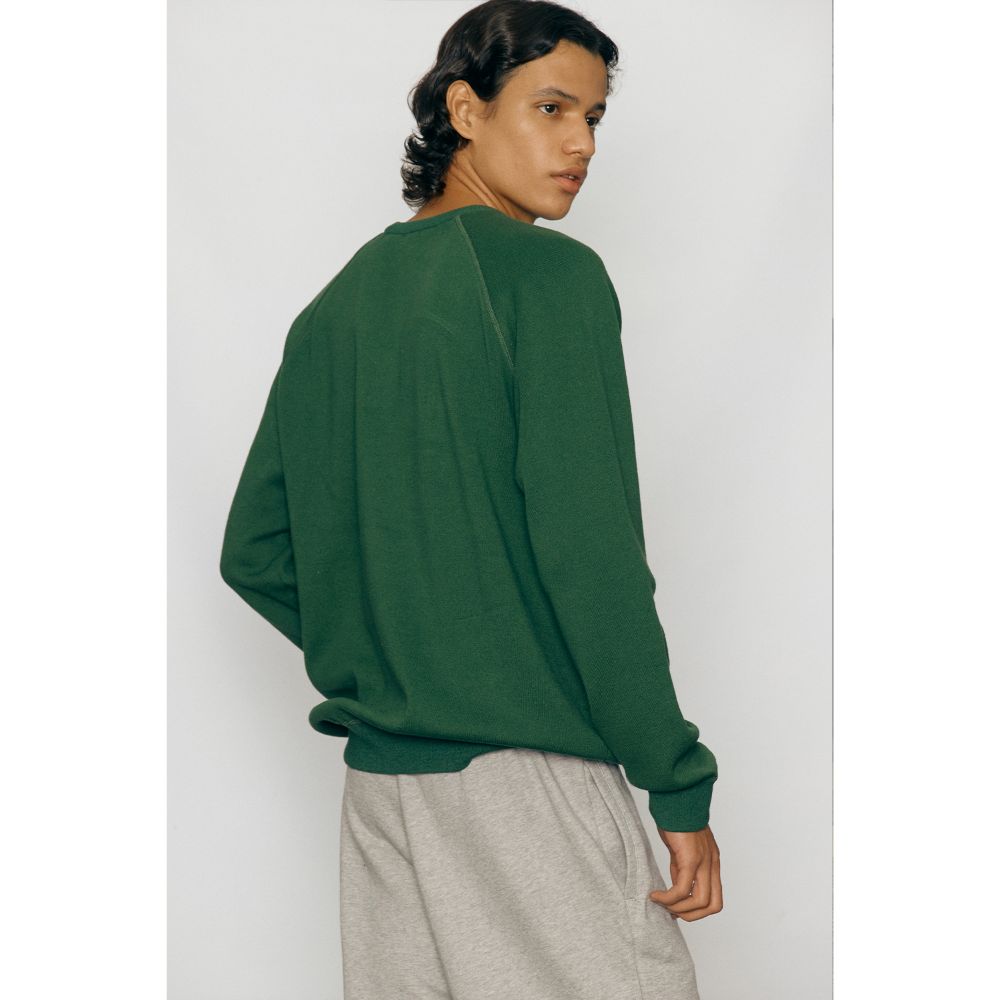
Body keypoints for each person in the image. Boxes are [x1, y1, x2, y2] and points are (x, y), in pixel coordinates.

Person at [220, 1, 723, 996]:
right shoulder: (546, 277)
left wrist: (404, 658)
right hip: (526, 781)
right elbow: (589, 553)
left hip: (383, 791)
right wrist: (676, 780)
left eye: (593, 118)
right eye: (551, 108)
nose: (581, 145)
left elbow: (257, 554)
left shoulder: (337, 307)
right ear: (465, 109)